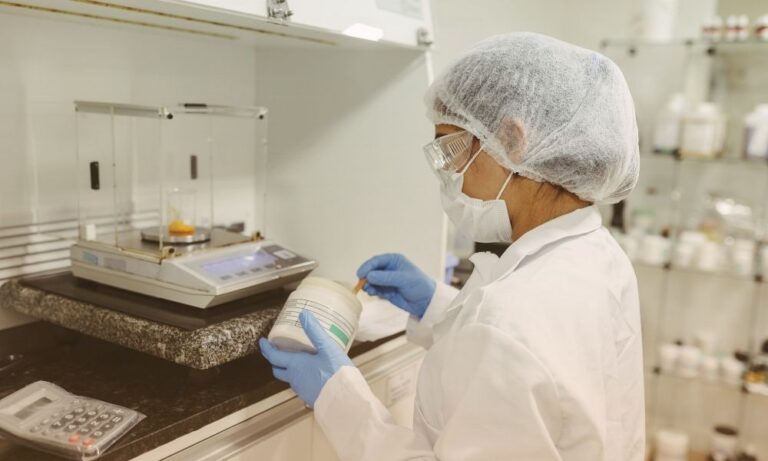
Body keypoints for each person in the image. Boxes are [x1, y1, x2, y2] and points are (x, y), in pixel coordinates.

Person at [260, 32, 644, 460]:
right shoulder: (598, 255)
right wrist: (440, 308)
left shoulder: (511, 319)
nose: (448, 173)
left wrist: (338, 397)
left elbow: (510, 343)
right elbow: (542, 378)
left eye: (452, 148)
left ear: (513, 140)